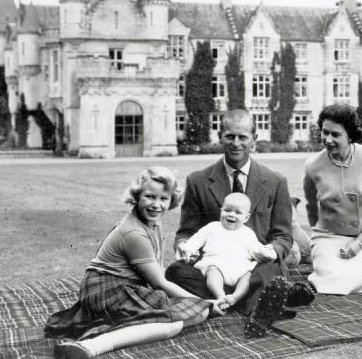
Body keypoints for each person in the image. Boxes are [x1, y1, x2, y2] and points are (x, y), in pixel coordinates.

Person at [165, 109, 316, 339]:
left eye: (243, 137)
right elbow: (186, 232)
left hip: (254, 268)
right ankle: (263, 302)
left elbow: (283, 236)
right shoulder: (197, 181)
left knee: (271, 271)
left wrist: (270, 252)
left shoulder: (275, 181)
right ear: (220, 136)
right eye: (230, 136)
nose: (236, 143)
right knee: (175, 272)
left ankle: (232, 301)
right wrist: (186, 249)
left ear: (254, 139)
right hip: (212, 270)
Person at [44, 167, 218, 359]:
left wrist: (200, 305)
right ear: (136, 196)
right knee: (174, 323)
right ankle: (90, 346)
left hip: (126, 288)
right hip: (105, 290)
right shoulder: (134, 233)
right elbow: (160, 282)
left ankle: (129, 328)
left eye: (163, 199)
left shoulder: (153, 223)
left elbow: (156, 274)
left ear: (171, 201)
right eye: (150, 196)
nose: (156, 205)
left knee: (197, 312)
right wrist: (206, 301)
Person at [303, 103, 362, 294]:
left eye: (335, 135)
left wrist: (359, 242)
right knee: (332, 274)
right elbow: (311, 206)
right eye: (324, 132)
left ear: (350, 135)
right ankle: (342, 275)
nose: (328, 140)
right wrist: (319, 237)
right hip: (327, 235)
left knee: (350, 276)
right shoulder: (312, 166)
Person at [178, 192, 266, 310]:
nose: (231, 215)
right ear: (221, 211)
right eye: (227, 210)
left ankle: (235, 297)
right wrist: (188, 248)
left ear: (246, 217)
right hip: (216, 264)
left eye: (238, 212)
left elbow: (256, 248)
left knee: (247, 277)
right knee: (213, 272)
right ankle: (220, 296)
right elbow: (197, 239)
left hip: (239, 268)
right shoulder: (212, 227)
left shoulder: (248, 233)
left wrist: (266, 253)